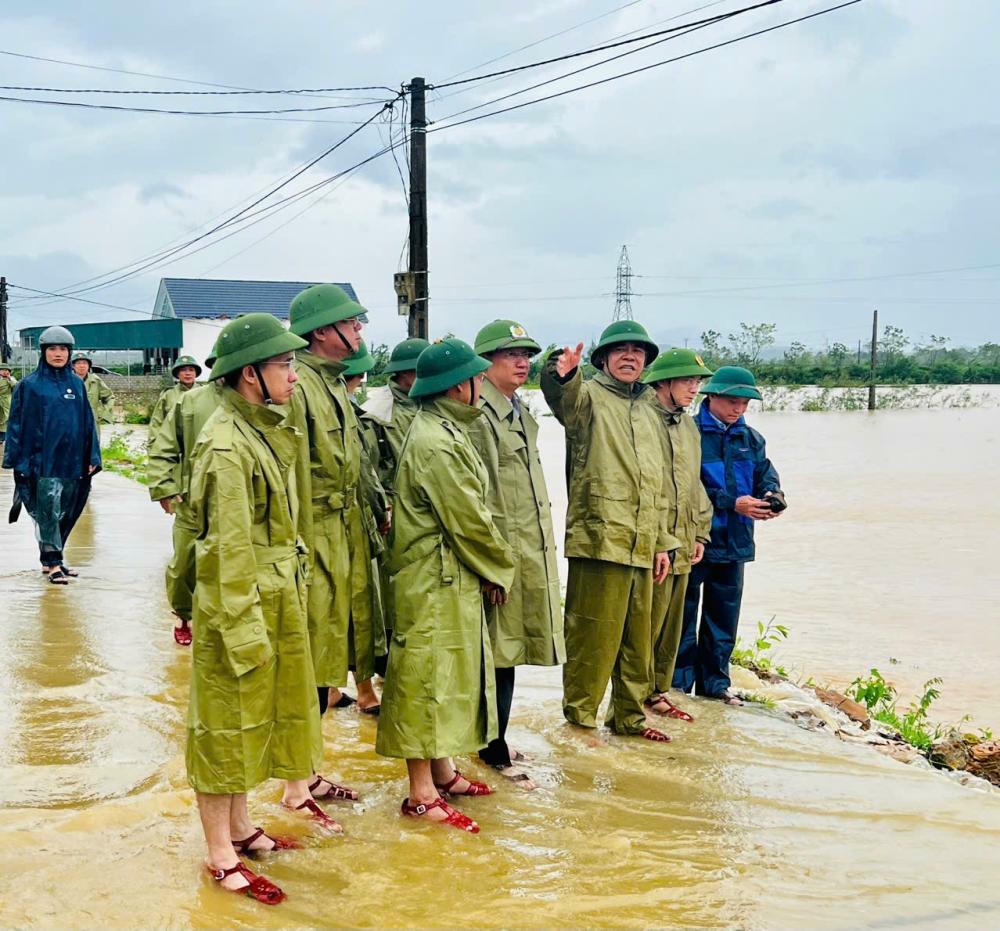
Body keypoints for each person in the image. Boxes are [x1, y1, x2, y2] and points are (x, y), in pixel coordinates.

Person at [185, 313, 321, 905]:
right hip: (237, 600)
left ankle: (240, 828)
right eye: (283, 364)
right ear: (249, 376)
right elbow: (226, 551)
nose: (294, 374)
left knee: (256, 717)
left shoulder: (259, 428)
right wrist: (240, 630)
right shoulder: (225, 446)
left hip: (270, 593)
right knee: (222, 722)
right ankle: (218, 852)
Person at [376, 338, 515, 834]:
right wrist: (499, 567)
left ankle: (442, 771)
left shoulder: (445, 431)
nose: (481, 385)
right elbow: (469, 519)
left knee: (449, 673)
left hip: (447, 573)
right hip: (432, 576)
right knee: (425, 679)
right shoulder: (437, 441)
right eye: (477, 377)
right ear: (461, 386)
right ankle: (419, 793)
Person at [541, 320, 679, 742]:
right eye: (621, 350)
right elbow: (560, 394)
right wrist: (559, 370)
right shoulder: (587, 398)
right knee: (592, 637)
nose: (630, 357)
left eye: (638, 351)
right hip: (600, 538)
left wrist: (662, 543)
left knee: (638, 641)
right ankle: (580, 719)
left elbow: (656, 484)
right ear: (602, 358)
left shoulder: (652, 410)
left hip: (643, 544)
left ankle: (630, 719)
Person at [287, 283, 380, 804]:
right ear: (323, 330)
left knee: (329, 658)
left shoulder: (330, 385)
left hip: (342, 535)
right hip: (314, 537)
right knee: (310, 660)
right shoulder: (301, 387)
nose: (360, 331)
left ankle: (307, 771)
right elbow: (295, 475)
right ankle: (296, 785)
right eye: (353, 322)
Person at [468, 320, 565, 789]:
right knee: (495, 653)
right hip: (499, 558)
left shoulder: (517, 410)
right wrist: (490, 565)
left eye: (526, 354)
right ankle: (490, 747)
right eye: (510, 354)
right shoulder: (479, 416)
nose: (522, 362)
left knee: (507, 650)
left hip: (525, 553)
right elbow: (477, 500)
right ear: (485, 363)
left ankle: (493, 737)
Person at [673, 365, 785, 705]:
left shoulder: (750, 438)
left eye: (745, 404)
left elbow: (764, 473)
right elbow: (685, 487)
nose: (739, 410)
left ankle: (715, 686)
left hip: (735, 544)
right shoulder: (687, 433)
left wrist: (773, 496)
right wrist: (731, 503)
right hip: (696, 542)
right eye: (734, 402)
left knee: (723, 620)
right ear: (713, 397)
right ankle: (678, 686)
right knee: (682, 619)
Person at [640, 349, 715, 722]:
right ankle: (633, 699)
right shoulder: (642, 419)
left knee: (672, 626)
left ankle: (657, 692)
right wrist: (657, 540)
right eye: (688, 381)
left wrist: (701, 533)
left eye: (698, 382)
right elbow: (643, 486)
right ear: (664, 382)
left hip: (685, 540)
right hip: (654, 541)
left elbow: (693, 483)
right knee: (645, 626)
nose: (694, 388)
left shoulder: (687, 425)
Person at [3, 326, 101, 584]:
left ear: (69, 353)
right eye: (52, 349)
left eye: (63, 349)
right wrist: (15, 460)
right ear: (43, 352)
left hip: (73, 462)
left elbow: (88, 423)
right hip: (42, 462)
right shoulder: (29, 386)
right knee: (47, 511)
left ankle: (51, 560)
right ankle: (54, 562)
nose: (58, 354)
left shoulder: (76, 385)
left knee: (68, 511)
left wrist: (93, 457)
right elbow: (15, 425)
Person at [360, 336, 428, 671]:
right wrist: (380, 509)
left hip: (425, 513)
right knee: (390, 590)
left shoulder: (427, 402)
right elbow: (367, 468)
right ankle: (386, 664)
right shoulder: (378, 413)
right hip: (392, 512)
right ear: (404, 374)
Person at [146, 370, 222, 646]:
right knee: (184, 565)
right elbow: (163, 442)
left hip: (241, 498)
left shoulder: (262, 401)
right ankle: (184, 615)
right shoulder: (188, 401)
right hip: (193, 497)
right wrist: (164, 485)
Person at [342, 341, 391, 709]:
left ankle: (349, 686)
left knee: (358, 607)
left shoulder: (361, 419)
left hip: (355, 521)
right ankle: (361, 690)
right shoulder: (346, 417)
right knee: (358, 609)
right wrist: (380, 509)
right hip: (347, 523)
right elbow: (364, 473)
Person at [148, 355, 202, 435]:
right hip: (174, 443)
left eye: (191, 370)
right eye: (183, 370)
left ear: (195, 373)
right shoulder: (168, 395)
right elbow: (157, 422)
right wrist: (153, 445)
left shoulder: (203, 392)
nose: (188, 373)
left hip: (198, 441)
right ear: (177, 374)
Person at [71, 352, 115, 425]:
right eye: (78, 363)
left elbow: (110, 397)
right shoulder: (67, 381)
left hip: (92, 422)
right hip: (72, 422)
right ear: (73, 366)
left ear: (89, 366)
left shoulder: (95, 381)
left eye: (85, 363)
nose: (82, 366)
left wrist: (103, 414)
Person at [0, 362, 16, 443]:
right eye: (2, 370)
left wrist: (9, 378)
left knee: (5, 419)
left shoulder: (11, 379)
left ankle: (2, 438)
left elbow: (16, 386)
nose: (4, 371)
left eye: (6, 370)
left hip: (6, 401)